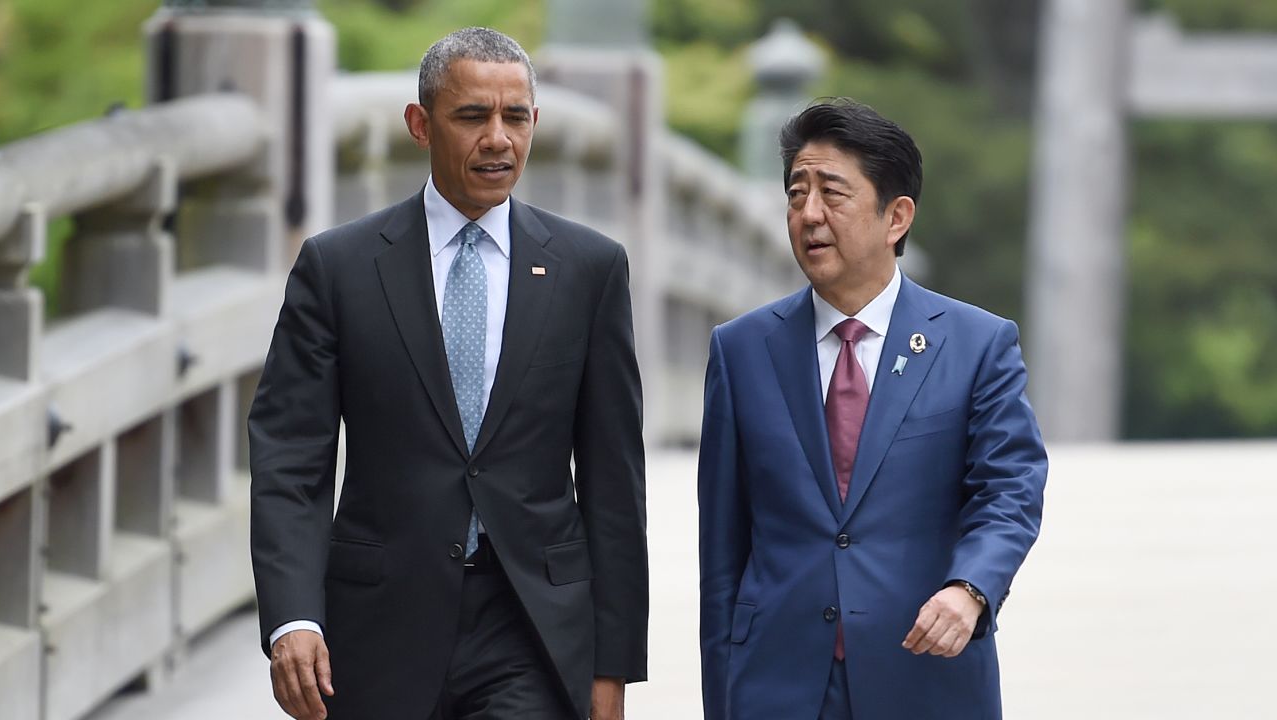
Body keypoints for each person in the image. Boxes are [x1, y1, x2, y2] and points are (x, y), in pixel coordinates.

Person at [249, 27, 647, 720]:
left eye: (515, 117)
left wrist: (613, 666)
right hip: (377, 627)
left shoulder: (589, 268)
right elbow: (290, 459)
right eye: (472, 117)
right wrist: (293, 620)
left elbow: (615, 482)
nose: (498, 139)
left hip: (530, 622)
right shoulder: (338, 268)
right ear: (420, 124)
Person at [697, 98, 1047, 719]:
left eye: (832, 193)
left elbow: (1010, 490)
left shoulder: (975, 344)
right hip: (778, 682)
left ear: (896, 217)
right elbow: (723, 553)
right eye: (796, 193)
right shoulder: (741, 349)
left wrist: (971, 589)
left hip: (924, 671)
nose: (808, 214)